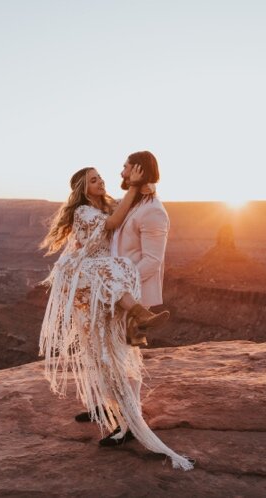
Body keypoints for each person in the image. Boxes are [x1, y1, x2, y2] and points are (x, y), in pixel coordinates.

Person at [36, 164, 193, 470]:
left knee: (109, 352)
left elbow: (130, 211)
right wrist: (135, 187)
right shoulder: (84, 211)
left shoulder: (107, 204)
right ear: (82, 188)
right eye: (93, 180)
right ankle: (137, 317)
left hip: (105, 288)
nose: (102, 181)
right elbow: (117, 220)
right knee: (100, 351)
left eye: (101, 177)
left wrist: (147, 189)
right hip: (91, 284)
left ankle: (119, 415)